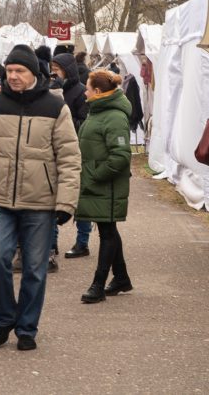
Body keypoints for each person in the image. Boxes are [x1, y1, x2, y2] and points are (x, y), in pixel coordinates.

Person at [0, 44, 81, 350]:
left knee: (35, 269)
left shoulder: (56, 107)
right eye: (9, 71)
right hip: (0, 200)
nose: (13, 76)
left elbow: (69, 158)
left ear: (33, 74)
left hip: (40, 203)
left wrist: (66, 202)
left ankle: (26, 328)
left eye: (19, 71)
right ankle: (5, 317)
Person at [75, 70, 133, 303]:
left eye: (87, 89)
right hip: (97, 184)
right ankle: (121, 278)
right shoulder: (98, 112)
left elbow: (120, 156)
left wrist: (96, 175)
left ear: (97, 92)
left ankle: (98, 284)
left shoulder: (114, 117)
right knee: (108, 230)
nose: (85, 93)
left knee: (107, 232)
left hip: (105, 185)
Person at [51, 53, 92, 258]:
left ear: (67, 70)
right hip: (54, 152)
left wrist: (63, 121)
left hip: (76, 151)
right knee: (52, 198)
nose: (53, 72)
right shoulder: (51, 91)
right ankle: (52, 243)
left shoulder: (81, 92)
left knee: (79, 200)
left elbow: (84, 123)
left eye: (57, 68)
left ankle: (82, 242)